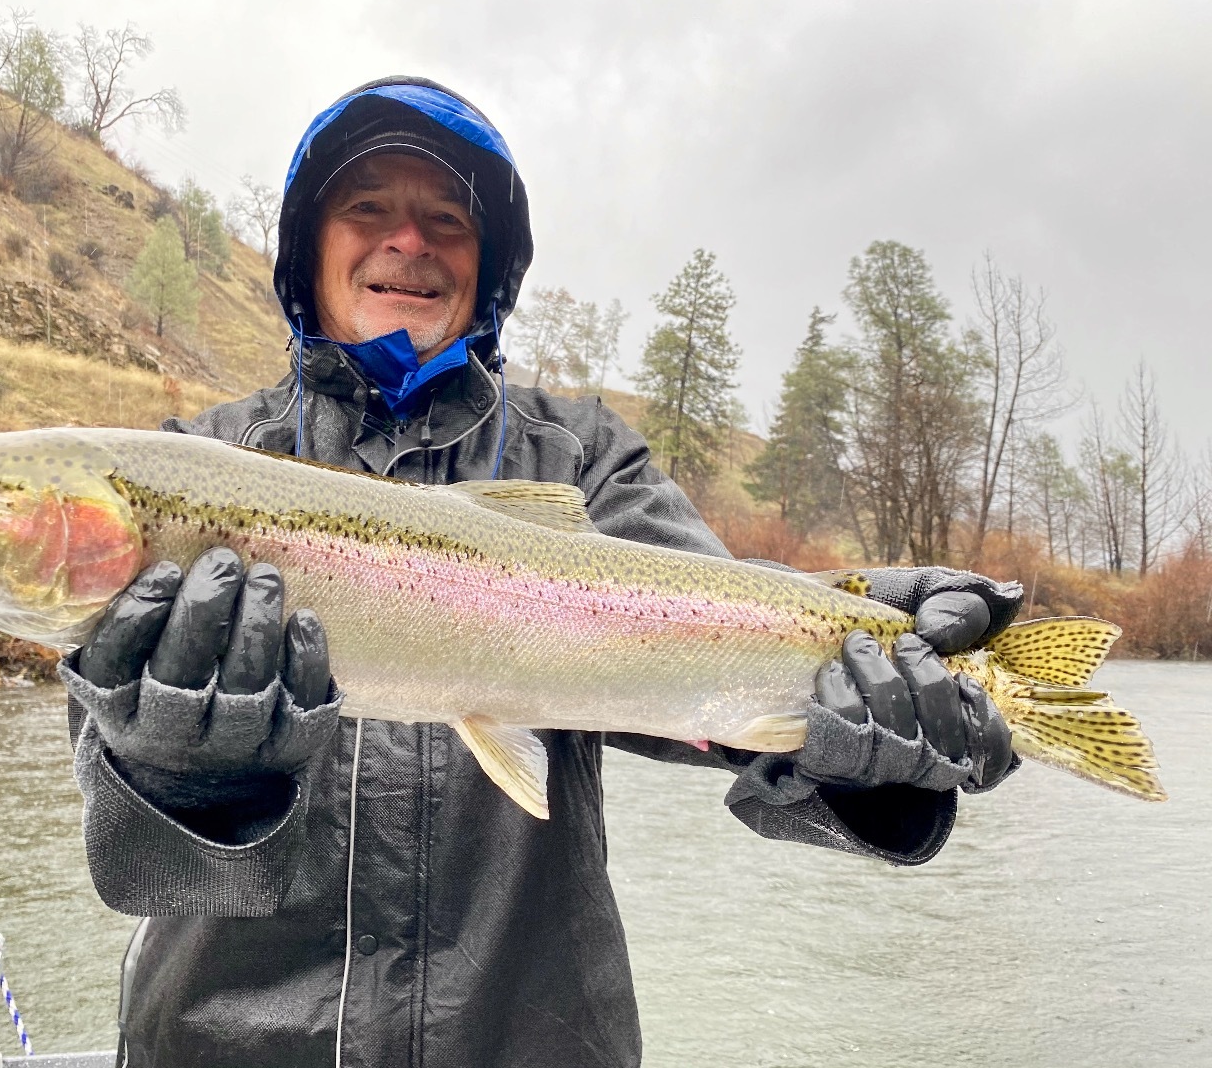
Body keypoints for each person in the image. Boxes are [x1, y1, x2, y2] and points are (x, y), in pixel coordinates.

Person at [59, 77, 1023, 1068]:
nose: (409, 241)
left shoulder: (582, 460)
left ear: (492, 267)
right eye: (367, 209)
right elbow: (131, 862)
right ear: (307, 246)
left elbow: (711, 640)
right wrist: (180, 781)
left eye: (446, 219)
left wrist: (862, 681)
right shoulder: (193, 466)